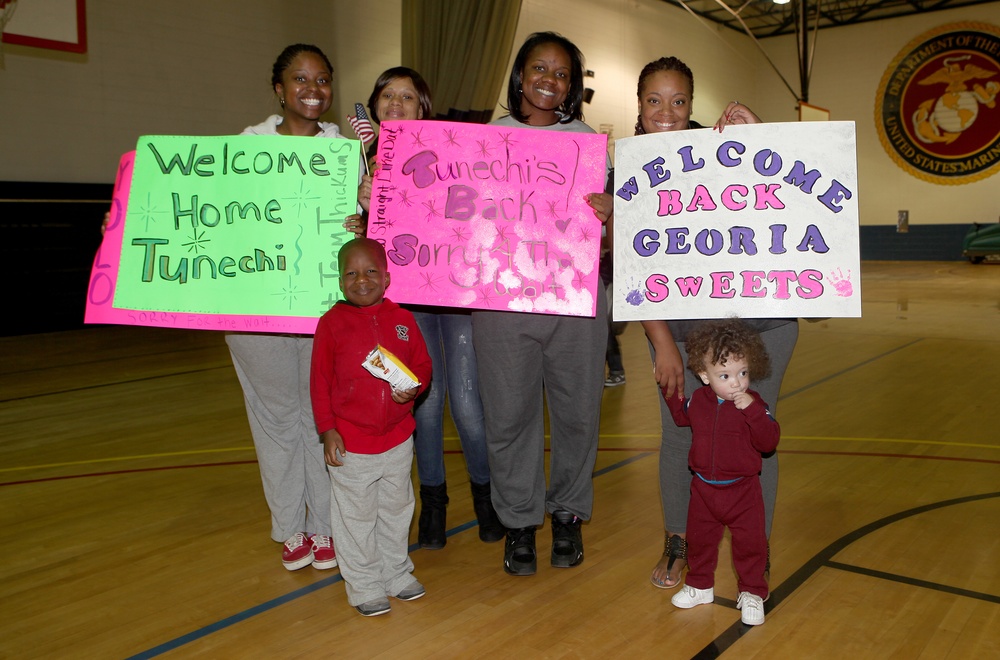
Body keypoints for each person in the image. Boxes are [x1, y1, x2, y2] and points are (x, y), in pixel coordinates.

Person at [585, 56, 796, 590]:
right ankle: (678, 541)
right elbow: (630, 268)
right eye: (654, 100)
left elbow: (790, 185)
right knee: (680, 438)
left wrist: (759, 129)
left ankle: (756, 552)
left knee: (755, 437)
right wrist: (662, 344)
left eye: (679, 101)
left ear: (691, 105)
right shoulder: (622, 173)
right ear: (637, 105)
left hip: (761, 323)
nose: (666, 112)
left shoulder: (721, 149)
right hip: (684, 335)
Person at [474, 32, 609, 577]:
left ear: (572, 85)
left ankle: (569, 515)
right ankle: (520, 523)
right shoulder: (483, 141)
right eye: (539, 68)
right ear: (520, 75)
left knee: (578, 415)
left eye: (561, 73)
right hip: (502, 301)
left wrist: (609, 214)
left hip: (574, 300)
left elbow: (609, 232)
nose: (548, 80)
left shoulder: (589, 144)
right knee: (509, 418)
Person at [227, 44, 365, 572]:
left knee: (322, 418)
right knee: (276, 420)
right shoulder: (247, 147)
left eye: (323, 79)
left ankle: (326, 526)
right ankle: (291, 528)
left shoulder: (346, 151)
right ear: (279, 89)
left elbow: (371, 233)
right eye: (300, 79)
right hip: (257, 312)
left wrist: (361, 220)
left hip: (325, 312)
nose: (313, 89)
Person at [363, 67, 503, 549]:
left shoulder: (451, 152)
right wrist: (360, 211)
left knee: (468, 406)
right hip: (405, 303)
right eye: (387, 95)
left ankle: (487, 498)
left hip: (458, 298)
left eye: (408, 96)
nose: (396, 103)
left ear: (424, 107)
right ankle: (434, 504)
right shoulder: (359, 165)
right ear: (374, 104)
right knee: (422, 405)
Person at [310, 237, 433, 617]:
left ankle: (396, 573)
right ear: (339, 280)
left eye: (370, 272)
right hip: (351, 444)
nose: (361, 280)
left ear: (387, 277)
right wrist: (328, 429)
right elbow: (318, 382)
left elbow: (423, 367)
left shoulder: (403, 320)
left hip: (397, 439)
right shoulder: (331, 325)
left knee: (397, 510)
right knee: (355, 518)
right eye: (351, 273)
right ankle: (363, 584)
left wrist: (412, 390)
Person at [666, 319, 778, 626]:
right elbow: (681, 415)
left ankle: (753, 592)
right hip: (703, 489)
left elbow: (769, 442)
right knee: (700, 542)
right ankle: (700, 585)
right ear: (704, 376)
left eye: (743, 373)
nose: (737, 383)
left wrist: (753, 411)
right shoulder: (699, 401)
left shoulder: (755, 405)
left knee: (750, 545)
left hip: (743, 491)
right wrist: (668, 387)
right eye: (725, 375)